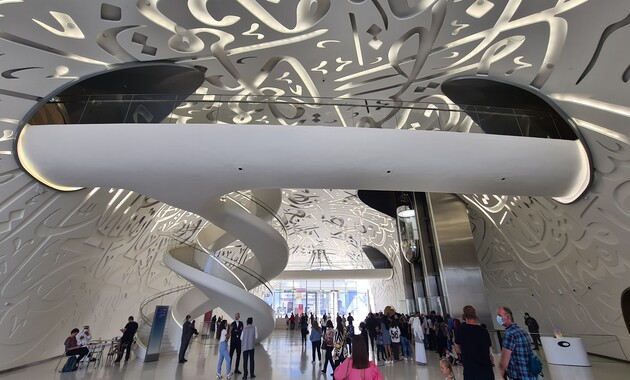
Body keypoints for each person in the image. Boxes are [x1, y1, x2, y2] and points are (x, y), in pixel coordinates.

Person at [453, 305, 493, 380]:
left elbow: (457, 349)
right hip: (486, 369)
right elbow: (488, 348)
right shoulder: (483, 330)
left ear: (464, 316)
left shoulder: (461, 330)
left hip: (470, 368)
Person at [497, 306, 537, 380]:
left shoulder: (509, 334)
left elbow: (504, 362)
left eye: (500, 315)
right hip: (530, 374)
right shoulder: (522, 331)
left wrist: (502, 370)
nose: (498, 318)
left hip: (520, 375)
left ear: (508, 317)